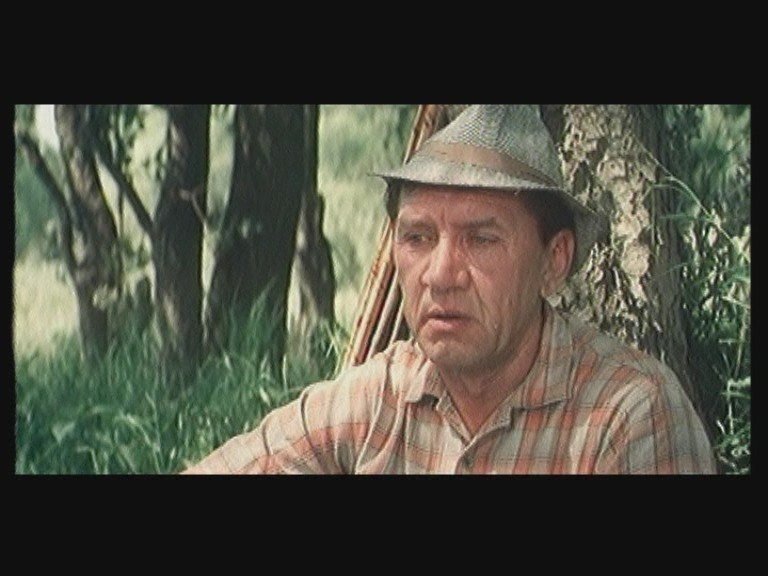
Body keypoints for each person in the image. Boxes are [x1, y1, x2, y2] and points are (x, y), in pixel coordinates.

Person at [183, 105, 715, 474]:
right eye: (417, 237)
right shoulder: (380, 399)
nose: (440, 274)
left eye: (481, 240)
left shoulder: (630, 417)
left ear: (554, 261)